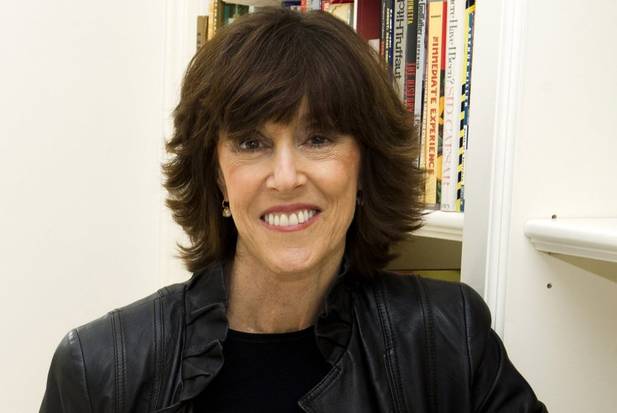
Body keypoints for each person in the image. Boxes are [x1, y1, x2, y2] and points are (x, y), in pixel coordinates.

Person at [40, 7, 547, 413]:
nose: (285, 177)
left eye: (318, 138)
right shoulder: (99, 369)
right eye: (251, 143)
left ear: (364, 165)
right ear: (217, 175)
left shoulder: (449, 339)